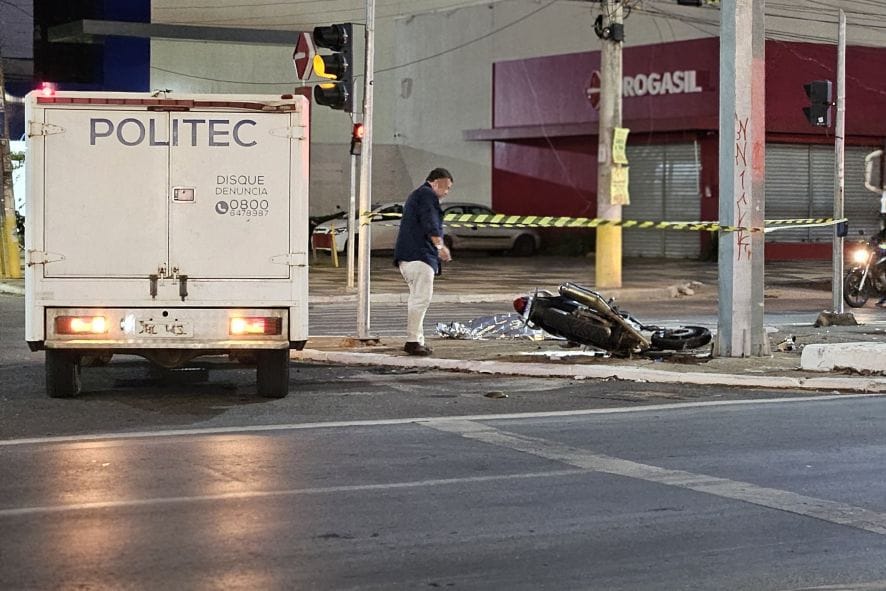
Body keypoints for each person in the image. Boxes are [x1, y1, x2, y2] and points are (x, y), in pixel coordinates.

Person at [393, 168, 454, 356]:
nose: (446, 192)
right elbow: (430, 222)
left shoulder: (418, 195)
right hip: (419, 256)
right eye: (446, 187)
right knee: (421, 299)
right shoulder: (427, 195)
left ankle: (417, 339)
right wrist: (440, 246)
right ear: (435, 182)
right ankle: (413, 341)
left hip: (409, 257)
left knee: (417, 299)